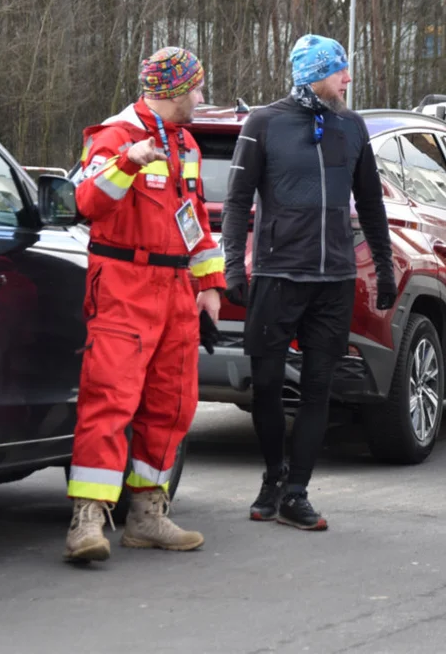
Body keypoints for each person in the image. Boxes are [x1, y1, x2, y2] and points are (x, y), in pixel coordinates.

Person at [220, 34, 395, 531]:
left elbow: (372, 205)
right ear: (316, 74)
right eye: (341, 70)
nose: (348, 78)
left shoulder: (351, 125)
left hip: (334, 278)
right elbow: (237, 203)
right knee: (269, 385)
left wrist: (383, 266)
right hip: (278, 274)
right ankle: (272, 477)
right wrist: (235, 266)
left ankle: (297, 491)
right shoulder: (264, 123)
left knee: (319, 387)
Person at [64, 46, 225, 562]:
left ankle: (147, 516)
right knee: (109, 399)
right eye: (196, 89)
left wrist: (211, 286)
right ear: (172, 91)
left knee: (173, 405)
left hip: (176, 292)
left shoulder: (187, 145)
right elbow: (85, 202)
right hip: (123, 285)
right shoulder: (115, 138)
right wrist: (126, 163)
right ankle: (88, 520)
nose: (201, 97)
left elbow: (194, 219)